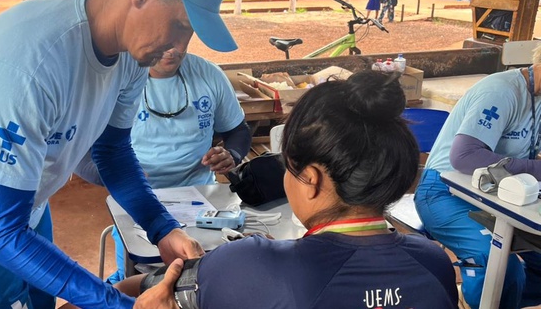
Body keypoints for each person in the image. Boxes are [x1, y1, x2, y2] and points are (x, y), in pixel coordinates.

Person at [0, 0, 239, 308]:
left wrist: (162, 227)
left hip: (24, 201)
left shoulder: (132, 50)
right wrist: (117, 304)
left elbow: (112, 152)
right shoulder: (27, 66)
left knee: (39, 298)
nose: (181, 47)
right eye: (181, 26)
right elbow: (0, 232)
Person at [120, 71, 460, 308]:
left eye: (287, 166)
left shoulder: (247, 265)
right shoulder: (434, 262)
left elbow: (125, 292)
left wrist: (258, 262)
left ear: (311, 179)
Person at [77, 49, 252, 284]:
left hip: (201, 199)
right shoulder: (113, 81)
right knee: (139, 277)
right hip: (136, 200)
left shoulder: (209, 74)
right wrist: (119, 176)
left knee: (204, 277)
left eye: (182, 35)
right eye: (165, 40)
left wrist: (232, 154)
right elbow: (78, 150)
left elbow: (237, 130)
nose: (173, 49)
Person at [414, 46, 541, 309]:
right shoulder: (502, 91)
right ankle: (479, 298)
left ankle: (489, 300)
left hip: (499, 198)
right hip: (443, 191)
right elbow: (465, 157)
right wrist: (534, 168)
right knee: (500, 264)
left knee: (509, 279)